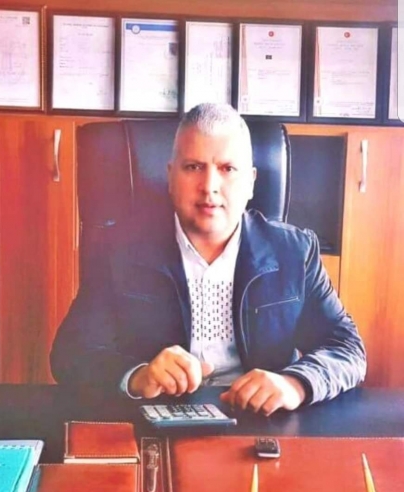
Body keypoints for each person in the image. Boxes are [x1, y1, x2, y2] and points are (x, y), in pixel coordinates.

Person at [50, 103, 366, 416]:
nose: (209, 187)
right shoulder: (119, 250)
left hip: (260, 422)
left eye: (227, 169)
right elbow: (71, 354)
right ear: (170, 176)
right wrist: (136, 376)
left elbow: (347, 348)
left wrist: (295, 384)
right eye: (193, 167)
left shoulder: (294, 251)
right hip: (157, 418)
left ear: (251, 181)